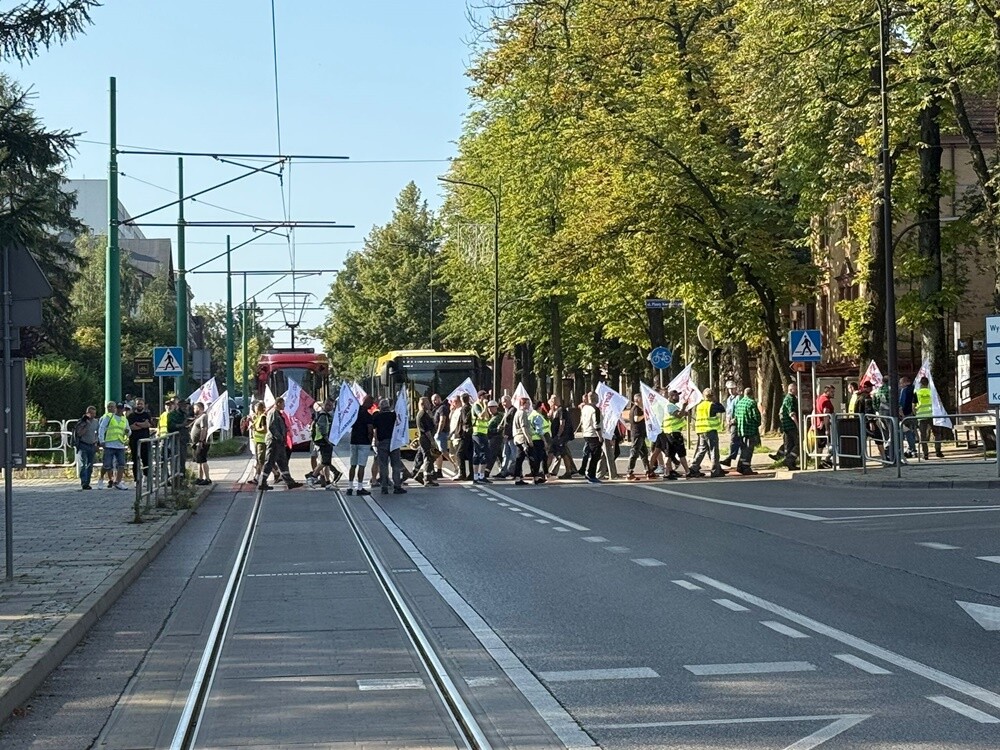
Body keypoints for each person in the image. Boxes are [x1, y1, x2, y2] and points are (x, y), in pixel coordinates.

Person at [259, 397, 301, 490]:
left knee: (282, 462)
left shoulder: (278, 413)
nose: (284, 405)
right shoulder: (273, 413)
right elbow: (272, 426)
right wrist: (279, 437)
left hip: (279, 442)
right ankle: (262, 482)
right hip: (274, 442)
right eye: (283, 404)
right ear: (278, 403)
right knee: (269, 462)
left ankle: (289, 482)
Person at [372, 397, 406, 495]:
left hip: (382, 442)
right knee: (395, 465)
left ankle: (384, 487)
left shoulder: (377, 417)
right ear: (389, 406)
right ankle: (397, 486)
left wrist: (376, 441)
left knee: (383, 465)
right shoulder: (393, 415)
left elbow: (375, 430)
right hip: (394, 442)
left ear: (380, 407)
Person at [689, 388, 726, 478]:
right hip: (710, 430)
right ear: (712, 396)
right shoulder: (711, 405)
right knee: (713, 450)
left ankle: (694, 467)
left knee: (701, 450)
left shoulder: (700, 405)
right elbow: (722, 409)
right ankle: (715, 470)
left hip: (701, 430)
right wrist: (715, 400)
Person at [98, 401, 129, 490]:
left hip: (120, 444)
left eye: (120, 408)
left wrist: (128, 432)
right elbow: (102, 428)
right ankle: (101, 478)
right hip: (109, 444)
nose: (119, 410)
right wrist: (102, 440)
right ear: (116, 408)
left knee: (121, 464)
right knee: (106, 464)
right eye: (118, 408)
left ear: (123, 409)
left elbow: (128, 431)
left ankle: (118, 482)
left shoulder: (124, 419)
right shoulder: (109, 417)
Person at [348, 395, 375, 496]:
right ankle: (359, 488)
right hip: (363, 442)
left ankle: (350, 487)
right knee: (362, 466)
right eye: (371, 403)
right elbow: (370, 430)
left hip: (353, 441)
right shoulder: (368, 416)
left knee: (353, 465)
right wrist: (370, 440)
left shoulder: (354, 412)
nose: (372, 405)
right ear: (367, 402)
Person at [312, 398, 342, 488]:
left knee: (326, 461)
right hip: (324, 442)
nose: (331, 407)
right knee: (325, 461)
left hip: (324, 441)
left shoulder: (326, 415)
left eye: (332, 405)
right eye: (329, 405)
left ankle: (328, 481)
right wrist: (327, 440)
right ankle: (312, 477)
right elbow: (322, 429)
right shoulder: (323, 415)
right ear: (325, 405)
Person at [662, 390, 690, 479]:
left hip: (669, 432)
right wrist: (684, 407)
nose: (678, 397)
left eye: (678, 395)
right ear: (670, 397)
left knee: (669, 454)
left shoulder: (673, 406)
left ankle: (667, 473)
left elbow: (680, 414)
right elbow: (678, 415)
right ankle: (688, 471)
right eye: (675, 395)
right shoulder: (670, 406)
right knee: (681, 453)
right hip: (674, 433)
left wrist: (684, 411)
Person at [512, 397, 540, 485]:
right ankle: (535, 477)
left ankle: (517, 477)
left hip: (518, 438)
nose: (529, 405)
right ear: (523, 404)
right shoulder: (523, 413)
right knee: (532, 458)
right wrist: (529, 439)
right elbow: (524, 427)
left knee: (519, 458)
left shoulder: (517, 413)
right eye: (527, 403)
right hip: (523, 439)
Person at [413, 396, 440, 487]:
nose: (430, 404)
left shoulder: (425, 413)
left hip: (424, 438)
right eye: (427, 403)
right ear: (423, 404)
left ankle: (417, 474)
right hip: (426, 438)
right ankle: (427, 479)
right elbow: (427, 430)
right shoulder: (422, 414)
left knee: (421, 457)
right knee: (429, 456)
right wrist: (432, 441)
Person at [733, 388, 761, 475]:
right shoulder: (752, 403)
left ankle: (740, 466)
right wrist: (758, 423)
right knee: (748, 449)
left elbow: (736, 416)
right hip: (750, 430)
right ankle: (746, 467)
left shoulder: (739, 403)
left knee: (743, 448)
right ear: (752, 394)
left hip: (741, 430)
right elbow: (756, 416)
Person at [915, 376, 944, 459]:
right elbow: (938, 403)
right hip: (933, 415)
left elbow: (913, 405)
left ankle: (925, 454)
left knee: (923, 436)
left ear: (920, 383)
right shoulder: (932, 393)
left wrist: (916, 413)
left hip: (921, 416)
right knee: (937, 433)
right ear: (927, 384)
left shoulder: (917, 393)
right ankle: (938, 451)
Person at [547, 394, 576, 478]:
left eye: (553, 400)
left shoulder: (561, 410)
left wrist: (559, 435)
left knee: (561, 453)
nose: (551, 401)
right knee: (557, 452)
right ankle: (546, 471)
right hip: (555, 436)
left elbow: (562, 423)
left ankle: (568, 471)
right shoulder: (554, 410)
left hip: (561, 436)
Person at [128, 398, 153, 490]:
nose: (139, 405)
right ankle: (136, 479)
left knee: (145, 460)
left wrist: (138, 424)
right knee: (135, 460)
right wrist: (142, 424)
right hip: (134, 441)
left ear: (144, 405)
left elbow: (148, 425)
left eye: (141, 404)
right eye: (138, 404)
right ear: (135, 404)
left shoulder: (147, 415)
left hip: (145, 441)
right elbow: (131, 427)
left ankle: (146, 478)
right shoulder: (131, 416)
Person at [578, 391, 603, 484]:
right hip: (594, 434)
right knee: (595, 455)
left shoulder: (585, 408)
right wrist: (600, 436)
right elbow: (596, 424)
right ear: (595, 399)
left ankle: (584, 469)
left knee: (588, 453)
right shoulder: (595, 409)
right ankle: (591, 474)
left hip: (586, 433)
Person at [73, 405, 99, 490]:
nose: (92, 415)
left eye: (94, 413)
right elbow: (79, 433)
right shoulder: (82, 422)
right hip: (83, 445)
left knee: (90, 465)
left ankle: (88, 482)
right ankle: (83, 482)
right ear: (87, 413)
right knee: (83, 464)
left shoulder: (96, 422)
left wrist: (96, 443)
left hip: (92, 445)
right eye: (91, 413)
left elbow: (97, 433)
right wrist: (86, 425)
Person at [626, 393, 650, 480]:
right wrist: (645, 415)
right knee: (635, 452)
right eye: (642, 399)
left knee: (644, 453)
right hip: (637, 434)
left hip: (640, 434)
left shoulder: (638, 408)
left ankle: (648, 470)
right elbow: (636, 419)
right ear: (638, 400)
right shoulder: (636, 409)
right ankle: (629, 471)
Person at [470, 391, 492, 484]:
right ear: (480, 397)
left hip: (483, 433)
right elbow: (481, 416)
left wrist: (486, 408)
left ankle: (479, 476)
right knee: (481, 453)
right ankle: (478, 476)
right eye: (484, 397)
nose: (486, 399)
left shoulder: (482, 406)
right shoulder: (477, 405)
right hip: (477, 433)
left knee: (482, 454)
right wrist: (486, 406)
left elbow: (487, 417)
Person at [720, 380, 742, 468]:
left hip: (736, 422)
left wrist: (735, 419)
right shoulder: (729, 399)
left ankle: (730, 457)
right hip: (731, 422)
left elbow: (739, 410)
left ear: (735, 388)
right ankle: (733, 457)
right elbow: (728, 410)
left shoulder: (738, 398)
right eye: (729, 389)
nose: (731, 391)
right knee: (735, 440)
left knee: (734, 440)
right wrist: (727, 419)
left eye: (732, 389)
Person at [189, 402, 212, 486]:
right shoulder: (198, 418)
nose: (194, 410)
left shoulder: (203, 417)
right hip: (197, 443)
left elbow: (204, 429)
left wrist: (201, 441)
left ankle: (207, 478)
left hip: (202, 443)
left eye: (195, 408)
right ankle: (200, 478)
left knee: (203, 460)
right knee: (199, 461)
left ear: (199, 408)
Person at [778, 383, 800, 470]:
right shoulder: (790, 399)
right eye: (796, 389)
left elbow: (780, 412)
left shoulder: (786, 398)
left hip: (786, 426)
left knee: (789, 445)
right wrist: (798, 425)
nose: (797, 391)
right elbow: (792, 414)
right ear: (791, 390)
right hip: (791, 425)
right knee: (798, 444)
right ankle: (789, 460)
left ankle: (790, 464)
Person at [814, 384, 835, 469]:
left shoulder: (819, 398)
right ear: (826, 391)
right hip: (823, 426)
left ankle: (819, 462)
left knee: (821, 445)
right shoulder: (826, 401)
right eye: (832, 392)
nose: (833, 393)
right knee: (831, 444)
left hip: (819, 424)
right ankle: (825, 460)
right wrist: (827, 429)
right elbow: (826, 414)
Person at [432, 394, 453, 479]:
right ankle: (439, 471)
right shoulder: (436, 409)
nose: (434, 402)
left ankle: (457, 466)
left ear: (439, 398)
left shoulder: (442, 408)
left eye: (435, 399)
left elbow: (442, 420)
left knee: (443, 451)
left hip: (442, 433)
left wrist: (438, 432)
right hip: (438, 433)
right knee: (437, 452)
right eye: (433, 400)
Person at [248, 401, 267, 484]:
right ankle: (257, 477)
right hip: (257, 441)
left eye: (255, 408)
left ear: (258, 408)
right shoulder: (258, 417)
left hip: (262, 442)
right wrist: (252, 422)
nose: (254, 410)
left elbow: (264, 429)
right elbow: (256, 425)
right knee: (259, 460)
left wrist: (255, 429)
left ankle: (260, 478)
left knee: (261, 460)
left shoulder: (263, 417)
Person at [899, 375, 917, 458]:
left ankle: (911, 449)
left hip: (906, 414)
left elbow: (902, 403)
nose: (900, 385)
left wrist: (902, 414)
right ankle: (912, 449)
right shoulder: (914, 389)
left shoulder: (905, 390)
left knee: (908, 432)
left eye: (901, 383)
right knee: (911, 432)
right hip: (912, 414)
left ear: (906, 382)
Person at [484, 400, 503, 478]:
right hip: (491, 437)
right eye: (489, 408)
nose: (490, 409)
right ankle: (503, 470)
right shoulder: (491, 417)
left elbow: (499, 428)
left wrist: (491, 430)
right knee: (499, 455)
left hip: (495, 437)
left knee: (491, 455)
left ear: (496, 407)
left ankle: (487, 471)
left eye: (492, 407)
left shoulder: (498, 417)